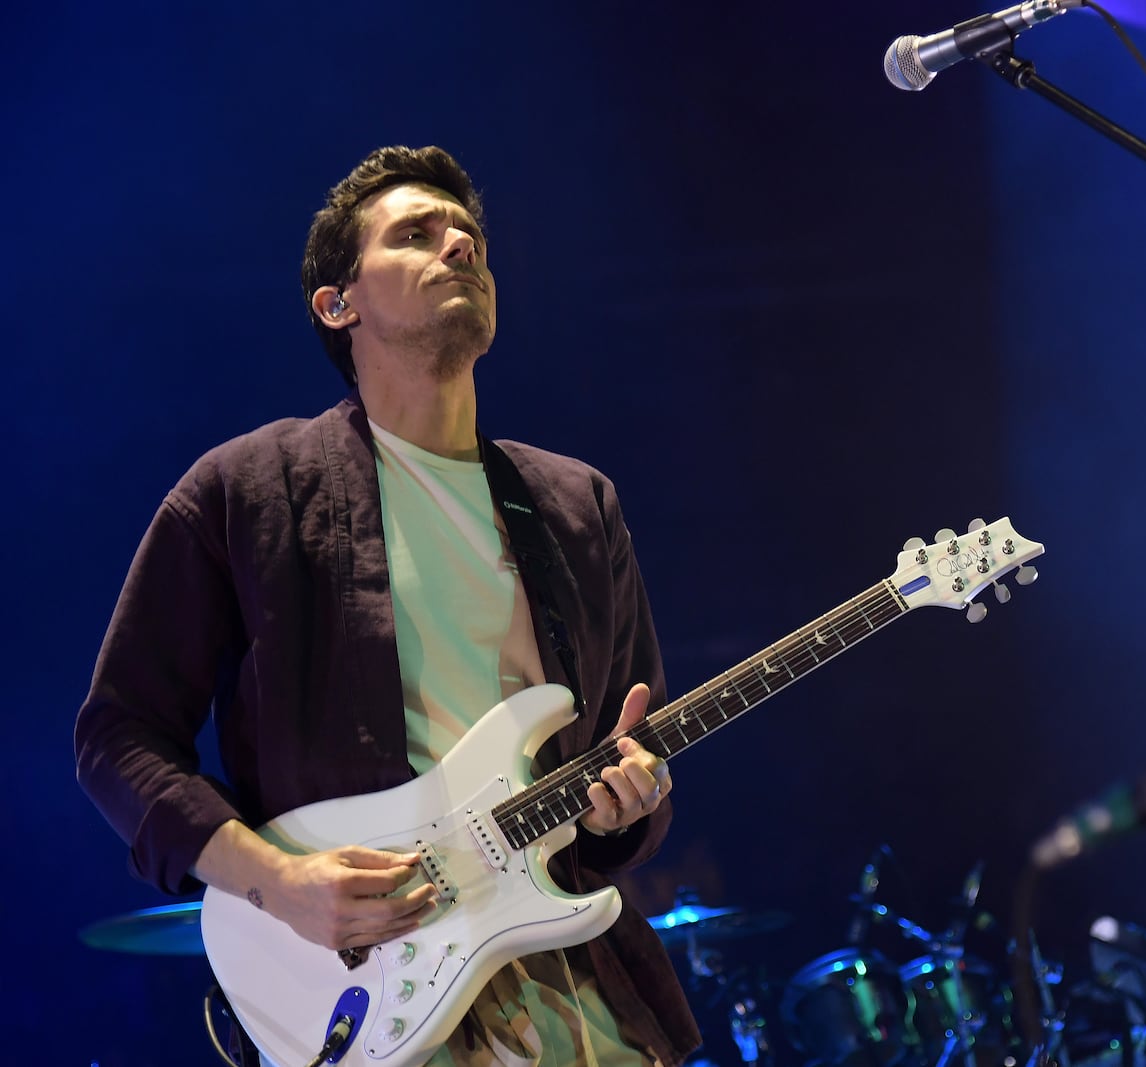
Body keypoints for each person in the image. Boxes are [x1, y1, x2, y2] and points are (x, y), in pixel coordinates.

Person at [73, 145, 702, 1067]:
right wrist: (280, 882)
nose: (460, 246)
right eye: (418, 233)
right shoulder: (248, 490)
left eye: (471, 236)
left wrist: (626, 803)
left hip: (568, 981)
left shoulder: (577, 504)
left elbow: (623, 776)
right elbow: (117, 739)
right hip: (373, 989)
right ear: (339, 303)